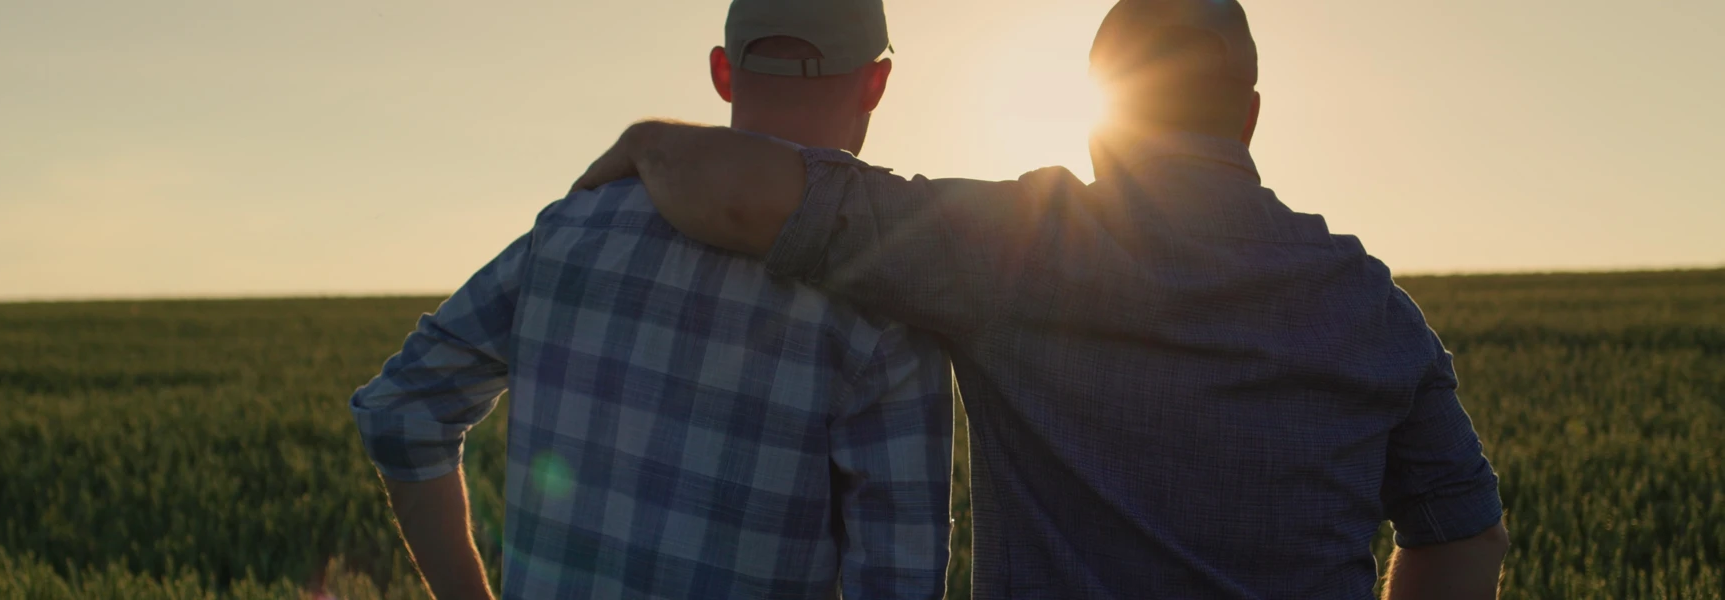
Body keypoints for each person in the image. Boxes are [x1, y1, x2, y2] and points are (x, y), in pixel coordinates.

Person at [568, 0, 1509, 598]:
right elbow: (1466, 537)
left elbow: (752, 195)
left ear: (1099, 115)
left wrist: (657, 139)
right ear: (1251, 115)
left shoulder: (1017, 247)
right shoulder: (1371, 305)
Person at [350, 1, 956, 598]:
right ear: (876, 84)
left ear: (722, 72)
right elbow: (900, 581)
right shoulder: (884, 305)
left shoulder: (572, 228)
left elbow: (402, 408)